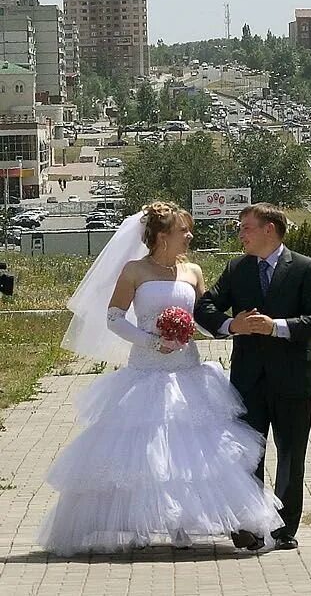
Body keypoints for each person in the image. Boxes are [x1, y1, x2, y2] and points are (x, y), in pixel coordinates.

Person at [39, 202, 281, 556]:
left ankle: (198, 523)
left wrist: (229, 328)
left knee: (192, 453)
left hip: (187, 371)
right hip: (147, 370)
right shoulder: (135, 271)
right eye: (184, 231)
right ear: (162, 235)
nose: (190, 236)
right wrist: (152, 340)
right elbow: (114, 318)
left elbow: (202, 317)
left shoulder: (193, 271)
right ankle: (141, 522)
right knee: (146, 452)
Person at [194, 203, 311, 552]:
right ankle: (251, 526)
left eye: (246, 228)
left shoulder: (303, 268)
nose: (240, 234)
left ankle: (283, 530)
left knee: (290, 456)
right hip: (248, 379)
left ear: (269, 229)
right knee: (248, 455)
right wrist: (229, 326)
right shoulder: (237, 268)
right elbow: (205, 306)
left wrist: (278, 328)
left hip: (291, 380)